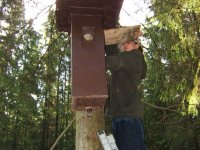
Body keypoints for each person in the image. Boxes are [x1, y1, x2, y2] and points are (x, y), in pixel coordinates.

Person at [105, 38, 147, 150]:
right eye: (122, 44)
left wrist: (91, 60)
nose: (124, 45)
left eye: (127, 42)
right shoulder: (123, 64)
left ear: (136, 45)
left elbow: (113, 61)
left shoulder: (135, 56)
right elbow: (113, 55)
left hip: (129, 115)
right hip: (120, 115)